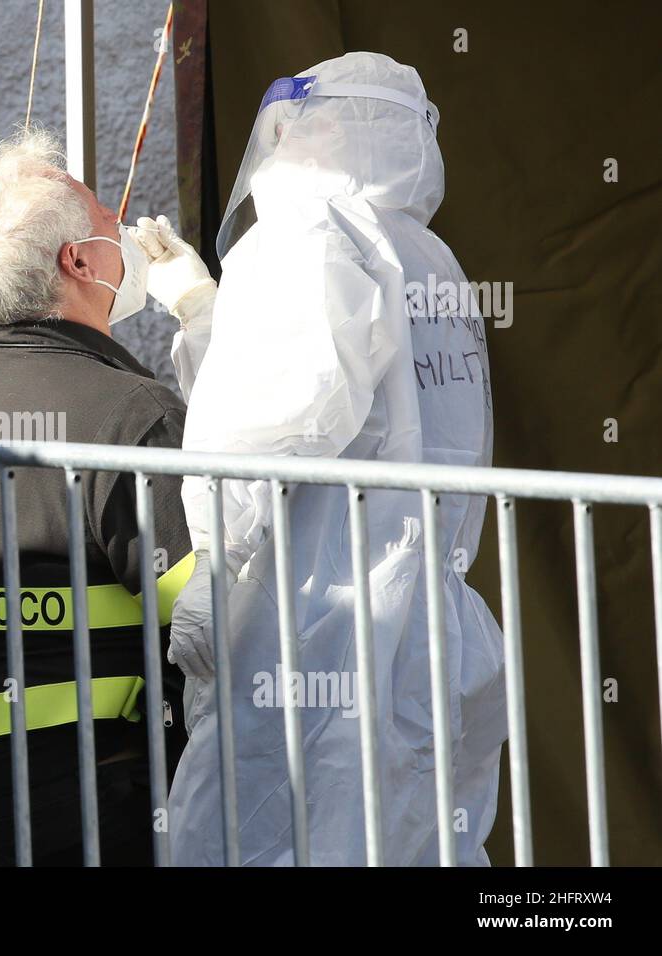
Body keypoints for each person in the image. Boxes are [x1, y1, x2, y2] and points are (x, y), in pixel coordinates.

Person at [166, 51, 508, 865]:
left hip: (312, 612)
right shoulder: (429, 256)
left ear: (325, 129)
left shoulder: (307, 233)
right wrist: (206, 314)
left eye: (299, 124)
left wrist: (217, 562)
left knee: (268, 832)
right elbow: (362, 401)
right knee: (408, 832)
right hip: (423, 613)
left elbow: (273, 423)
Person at [0, 127, 212, 865]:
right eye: (107, 218)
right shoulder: (131, 415)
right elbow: (210, 621)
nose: (122, 229)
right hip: (99, 809)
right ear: (78, 261)